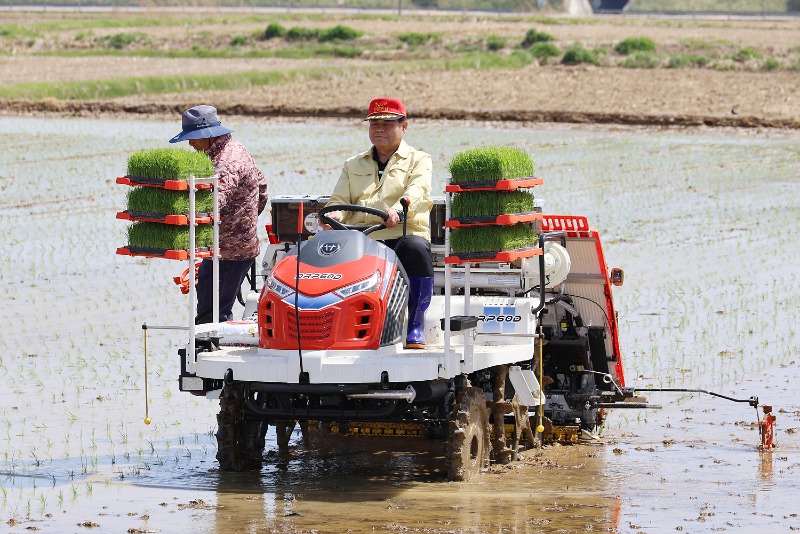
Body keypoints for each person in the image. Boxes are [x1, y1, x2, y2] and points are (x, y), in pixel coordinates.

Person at [325, 97, 434, 349]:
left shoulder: (419, 159)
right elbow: (339, 200)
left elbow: (418, 191)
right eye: (374, 124)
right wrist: (333, 215)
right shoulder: (352, 164)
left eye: (387, 123)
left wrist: (397, 210)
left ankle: (415, 325)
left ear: (404, 125)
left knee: (416, 248)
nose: (379, 129)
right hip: (361, 238)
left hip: (400, 234)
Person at [169, 104, 268, 324]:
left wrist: (171, 213)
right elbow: (262, 187)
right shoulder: (235, 148)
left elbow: (211, 204)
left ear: (208, 135)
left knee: (212, 312)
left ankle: (209, 350)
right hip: (230, 246)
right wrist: (247, 221)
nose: (191, 143)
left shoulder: (226, 162)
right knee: (210, 296)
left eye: (193, 137)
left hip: (231, 252)